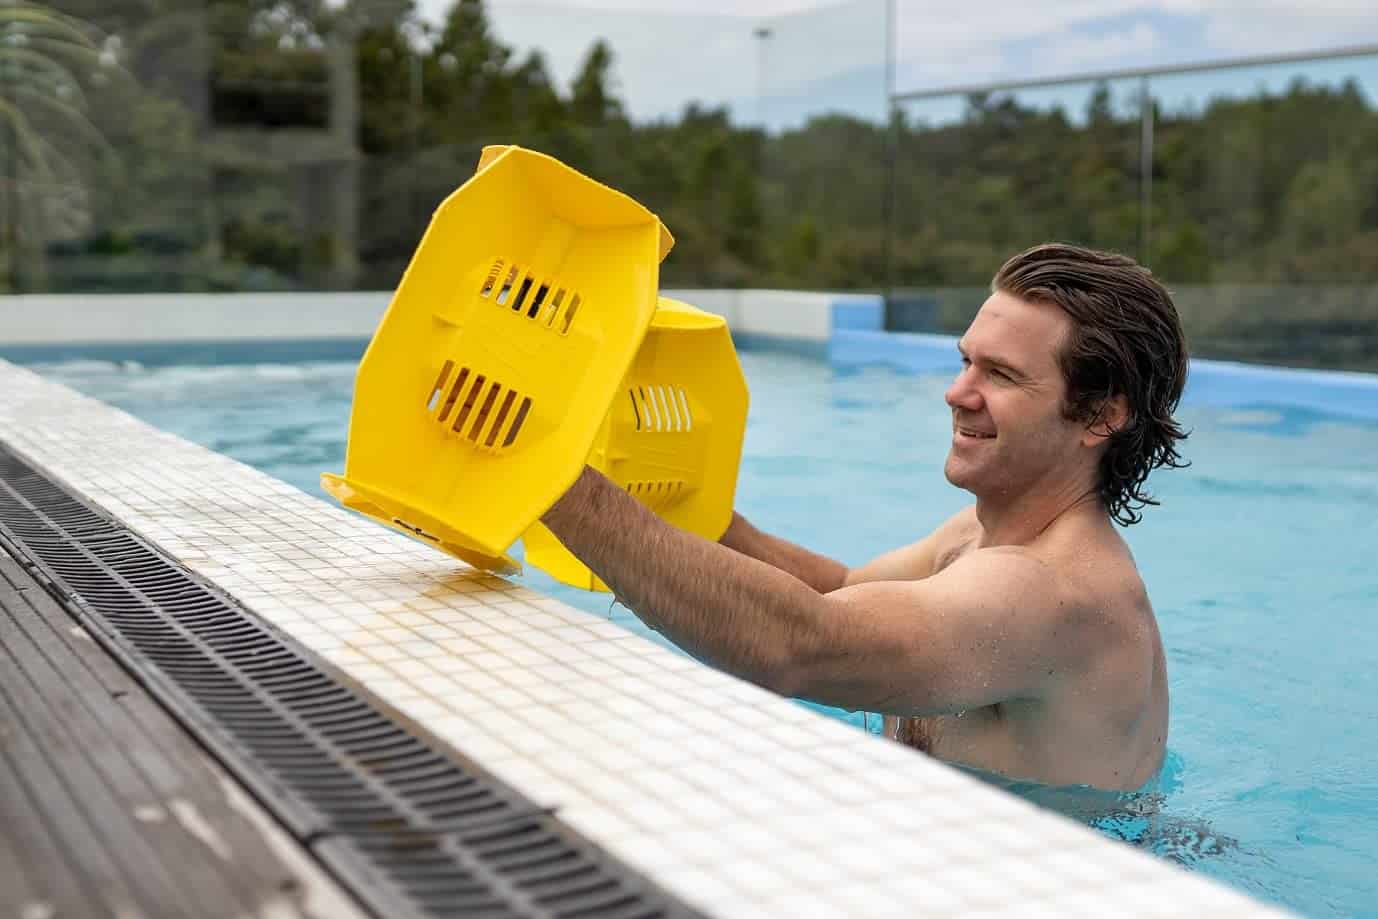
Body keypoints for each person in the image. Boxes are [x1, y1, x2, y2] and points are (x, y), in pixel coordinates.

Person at [540, 243, 1190, 791]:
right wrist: (691, 514)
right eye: (966, 360)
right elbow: (844, 592)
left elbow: (801, 644)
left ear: (1103, 414)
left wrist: (551, 476)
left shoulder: (1050, 592)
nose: (957, 392)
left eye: (1002, 375)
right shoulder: (979, 538)